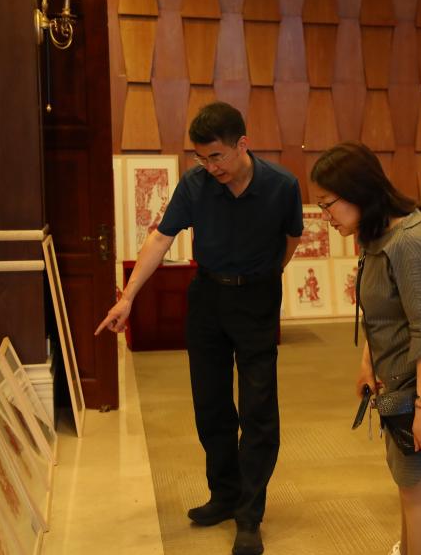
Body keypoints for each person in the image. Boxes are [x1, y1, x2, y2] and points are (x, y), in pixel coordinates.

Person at [95, 102, 303, 555]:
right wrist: (128, 297)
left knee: (258, 408)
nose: (210, 167)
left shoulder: (281, 185)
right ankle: (224, 495)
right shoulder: (195, 184)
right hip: (207, 297)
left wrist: (269, 274)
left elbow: (291, 238)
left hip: (256, 300)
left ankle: (249, 515)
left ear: (242, 145)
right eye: (202, 158)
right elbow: (161, 238)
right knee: (210, 404)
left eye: (217, 157)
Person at [311, 142, 421, 555]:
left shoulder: (409, 243)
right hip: (400, 379)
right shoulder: (376, 236)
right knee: (408, 484)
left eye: (328, 205)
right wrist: (368, 361)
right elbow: (383, 311)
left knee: (419, 492)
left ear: (358, 192)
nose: (325, 216)